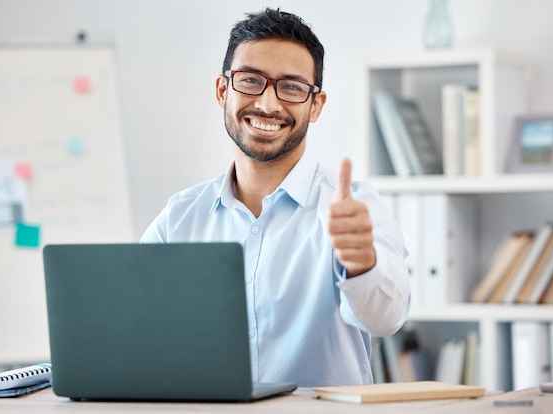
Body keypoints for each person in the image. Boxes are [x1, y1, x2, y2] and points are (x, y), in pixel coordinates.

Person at [141, 8, 410, 387]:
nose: (268, 105)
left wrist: (362, 263)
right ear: (223, 90)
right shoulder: (179, 219)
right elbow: (137, 327)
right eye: (251, 81)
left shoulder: (354, 209)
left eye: (292, 87)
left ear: (315, 105)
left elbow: (388, 318)